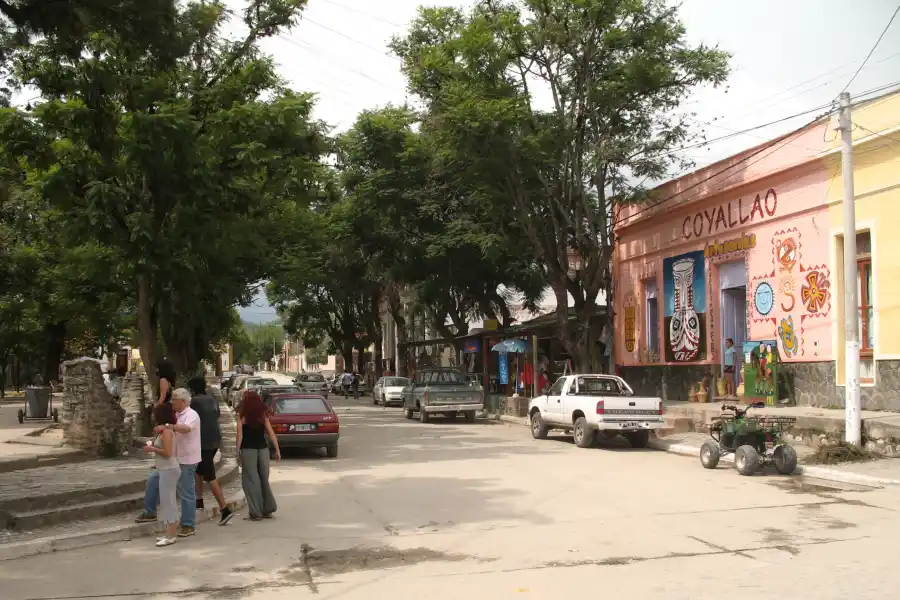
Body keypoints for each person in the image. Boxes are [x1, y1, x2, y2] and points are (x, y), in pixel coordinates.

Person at [135, 388, 201, 537]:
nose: (172, 402)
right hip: (170, 460)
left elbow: (186, 428)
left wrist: (167, 426)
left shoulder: (191, 415)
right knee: (153, 480)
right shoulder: (175, 414)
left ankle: (188, 524)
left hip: (186, 458)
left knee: (186, 491)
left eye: (174, 400)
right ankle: (150, 511)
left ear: (182, 401)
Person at [187, 376, 234, 526]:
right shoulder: (212, 399)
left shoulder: (194, 402)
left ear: (192, 389)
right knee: (198, 469)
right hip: (214, 440)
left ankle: (224, 509)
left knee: (209, 475)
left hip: (203, 442)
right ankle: (199, 500)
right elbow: (217, 415)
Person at [236, 391, 279, 521]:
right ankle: (268, 508)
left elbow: (240, 434)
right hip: (263, 449)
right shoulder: (263, 414)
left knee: (251, 480)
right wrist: (277, 450)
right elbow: (271, 433)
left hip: (248, 449)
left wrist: (237, 451)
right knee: (263, 479)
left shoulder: (242, 415)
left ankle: (255, 512)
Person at [142, 403, 180, 547]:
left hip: (168, 469)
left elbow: (168, 453)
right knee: (167, 501)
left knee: (168, 502)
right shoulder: (163, 431)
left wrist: (152, 449)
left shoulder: (167, 432)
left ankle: (170, 535)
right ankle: (170, 533)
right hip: (164, 468)